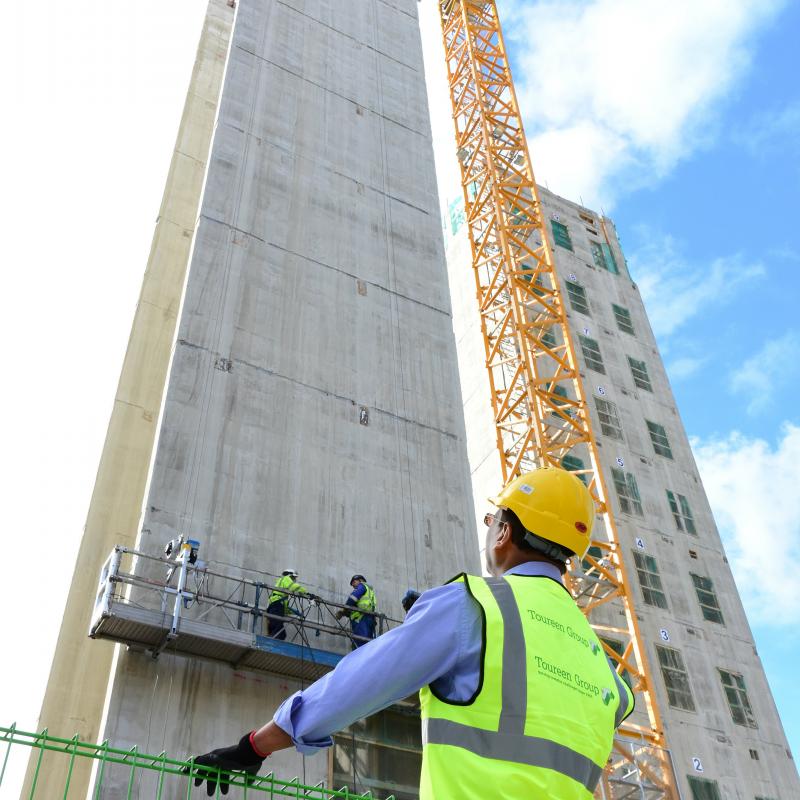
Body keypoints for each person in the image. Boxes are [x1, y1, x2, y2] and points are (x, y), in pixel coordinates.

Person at [187, 468, 634, 798]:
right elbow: (594, 703)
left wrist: (255, 746)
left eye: (492, 522)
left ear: (505, 531)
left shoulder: (474, 604)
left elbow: (360, 682)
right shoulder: (602, 664)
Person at [266, 569, 315, 640]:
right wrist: (307, 593)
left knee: (280, 633)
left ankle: (271, 642)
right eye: (293, 578)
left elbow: (284, 609)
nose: (294, 580)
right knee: (279, 634)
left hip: (274, 608)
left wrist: (296, 613)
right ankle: (271, 644)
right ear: (289, 575)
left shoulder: (280, 595)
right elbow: (293, 586)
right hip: (276, 607)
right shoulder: (285, 578)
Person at [335, 573, 377, 648]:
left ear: (360, 580)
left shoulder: (362, 586)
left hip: (361, 619)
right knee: (367, 644)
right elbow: (362, 605)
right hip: (369, 619)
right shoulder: (370, 591)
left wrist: (344, 610)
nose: (353, 586)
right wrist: (347, 613)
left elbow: (352, 598)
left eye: (354, 582)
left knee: (359, 644)